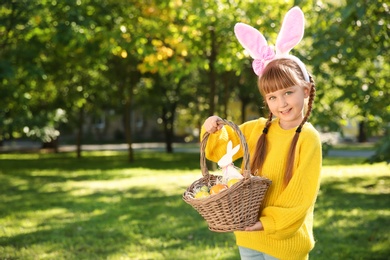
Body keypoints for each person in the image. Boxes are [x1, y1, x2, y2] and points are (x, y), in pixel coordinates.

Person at [201, 7, 322, 260]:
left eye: (289, 92)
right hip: (248, 236)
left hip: (284, 243)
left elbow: (301, 196)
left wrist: (267, 223)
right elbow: (219, 151)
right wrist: (212, 127)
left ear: (306, 90)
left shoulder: (307, 138)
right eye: (272, 97)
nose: (282, 103)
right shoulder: (257, 129)